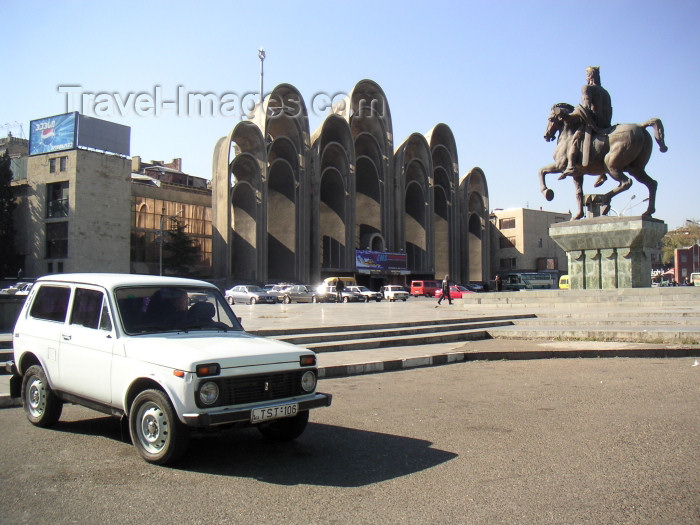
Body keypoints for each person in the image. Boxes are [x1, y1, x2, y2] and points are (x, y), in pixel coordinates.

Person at [562, 66, 613, 187]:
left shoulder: (586, 88)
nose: (586, 77)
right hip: (606, 124)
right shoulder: (605, 92)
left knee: (575, 138)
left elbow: (586, 107)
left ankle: (570, 165)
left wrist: (571, 116)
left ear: (590, 76)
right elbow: (610, 110)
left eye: (587, 74)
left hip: (593, 122)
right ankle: (602, 172)